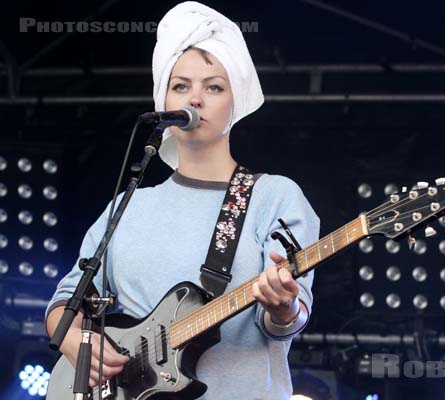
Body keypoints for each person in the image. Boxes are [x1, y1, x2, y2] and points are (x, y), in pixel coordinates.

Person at [44, 2, 320, 399]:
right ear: (165, 102)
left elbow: (288, 320)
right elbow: (66, 300)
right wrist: (71, 337)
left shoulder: (273, 196)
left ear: (233, 100)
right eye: (181, 86)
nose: (196, 99)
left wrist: (282, 307)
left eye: (213, 87)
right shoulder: (130, 205)